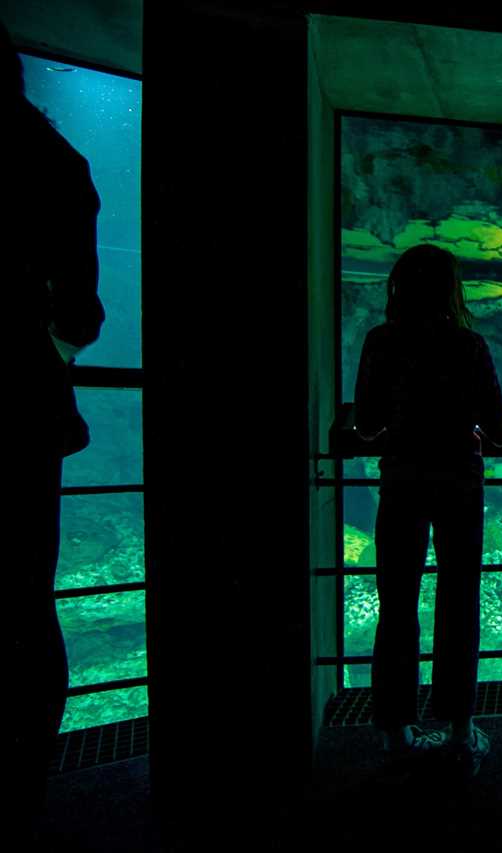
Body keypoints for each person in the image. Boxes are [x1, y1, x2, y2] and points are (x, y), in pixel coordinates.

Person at [4, 19, 106, 843]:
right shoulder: (55, 164)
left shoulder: (53, 164)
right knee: (24, 610)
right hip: (21, 420)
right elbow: (83, 314)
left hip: (24, 413)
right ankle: (25, 797)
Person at [353, 244, 502, 775]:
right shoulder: (468, 344)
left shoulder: (380, 342)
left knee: (397, 603)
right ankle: (460, 730)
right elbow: (500, 431)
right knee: (459, 600)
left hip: (401, 483)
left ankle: (395, 731)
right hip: (459, 486)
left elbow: (367, 425)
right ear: (451, 290)